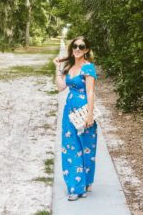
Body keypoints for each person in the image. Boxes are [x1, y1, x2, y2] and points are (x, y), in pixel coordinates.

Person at [53, 35, 98, 201]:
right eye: (75, 46)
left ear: (86, 50)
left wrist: (90, 115)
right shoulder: (70, 67)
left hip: (84, 111)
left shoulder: (88, 68)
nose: (77, 49)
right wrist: (58, 68)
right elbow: (61, 87)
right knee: (70, 147)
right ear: (72, 49)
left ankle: (85, 183)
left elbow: (90, 92)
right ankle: (75, 187)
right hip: (69, 112)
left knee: (86, 149)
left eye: (81, 46)